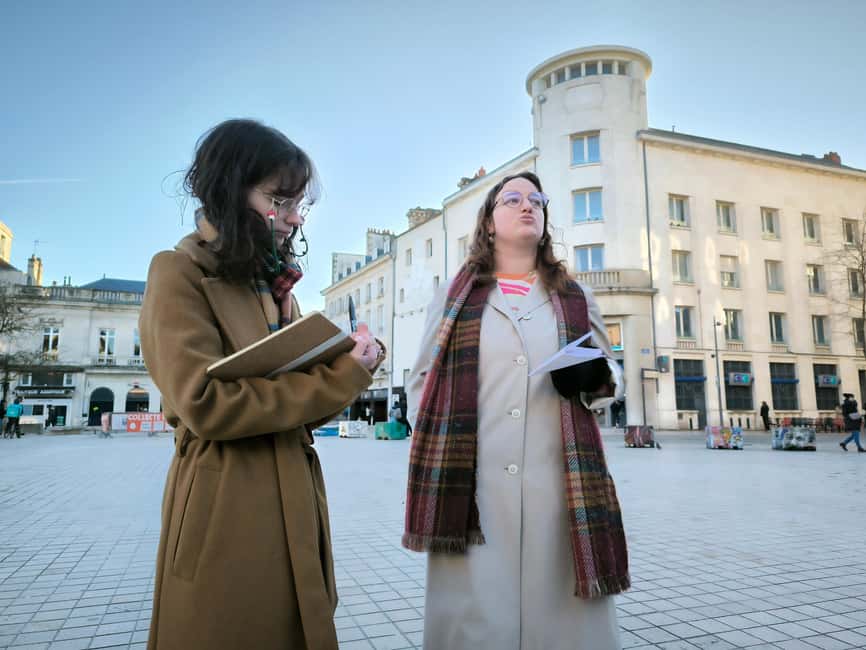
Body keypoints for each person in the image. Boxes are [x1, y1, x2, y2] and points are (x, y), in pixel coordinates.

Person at [139, 119, 384, 650]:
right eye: (279, 199)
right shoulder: (177, 273)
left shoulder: (272, 285)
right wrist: (339, 376)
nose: (293, 218)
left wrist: (352, 366)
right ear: (230, 188)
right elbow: (205, 405)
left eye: (299, 204)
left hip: (294, 494)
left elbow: (297, 406)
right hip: (224, 501)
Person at [403, 172, 629, 650]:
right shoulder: (453, 296)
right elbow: (421, 379)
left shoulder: (575, 297)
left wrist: (594, 377)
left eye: (537, 200)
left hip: (558, 487)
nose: (527, 205)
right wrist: (443, 443)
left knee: (562, 623)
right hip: (472, 491)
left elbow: (610, 371)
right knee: (477, 622)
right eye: (512, 199)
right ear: (488, 222)